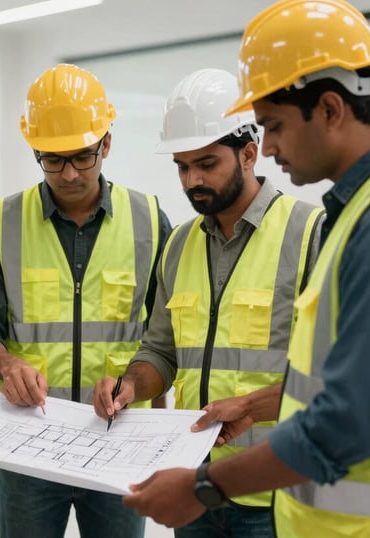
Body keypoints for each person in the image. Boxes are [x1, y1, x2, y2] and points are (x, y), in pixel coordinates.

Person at [119, 1, 370, 536]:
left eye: (275, 126)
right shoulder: (361, 213)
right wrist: (256, 406)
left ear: (330, 110)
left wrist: (203, 486)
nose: (272, 146)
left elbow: (345, 423)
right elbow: (334, 385)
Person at [93, 67, 325, 537]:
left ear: (248, 153)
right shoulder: (178, 245)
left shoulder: (309, 234)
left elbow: (331, 377)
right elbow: (161, 351)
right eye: (181, 166)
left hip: (277, 491)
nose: (192, 179)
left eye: (206, 163)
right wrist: (132, 385)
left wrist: (252, 405)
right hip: (195, 486)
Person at [0, 63, 172, 538]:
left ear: (107, 145)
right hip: (27, 439)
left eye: (82, 156)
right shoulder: (2, 222)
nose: (70, 173)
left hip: (117, 439)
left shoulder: (151, 222)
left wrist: (139, 394)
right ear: (35, 150)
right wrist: (8, 365)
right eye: (53, 159)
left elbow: (167, 337)